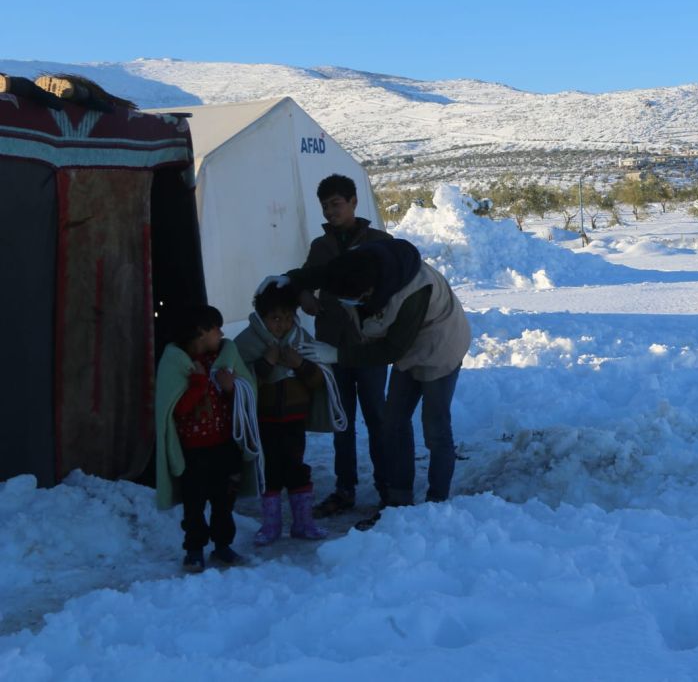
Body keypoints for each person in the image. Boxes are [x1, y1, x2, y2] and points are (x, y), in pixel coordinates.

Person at [272, 238, 470, 528]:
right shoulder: (355, 266)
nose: (348, 303)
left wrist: (338, 354)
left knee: (435, 428)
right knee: (394, 422)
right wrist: (288, 279)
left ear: (368, 290)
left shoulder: (414, 292)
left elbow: (391, 350)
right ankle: (398, 501)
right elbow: (321, 274)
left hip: (440, 346)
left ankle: (436, 505)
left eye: (352, 299)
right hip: (407, 347)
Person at [301, 174, 392, 518]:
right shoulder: (320, 247)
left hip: (368, 345)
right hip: (332, 345)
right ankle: (345, 489)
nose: (329, 211)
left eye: (336, 204)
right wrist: (305, 296)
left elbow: (396, 286)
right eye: (324, 206)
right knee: (342, 421)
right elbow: (305, 281)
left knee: (377, 418)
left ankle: (387, 487)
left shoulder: (380, 241)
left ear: (354, 201)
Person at [154, 304, 258, 572]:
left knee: (224, 502)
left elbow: (246, 394)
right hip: (194, 452)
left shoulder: (225, 357)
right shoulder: (176, 364)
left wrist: (232, 387)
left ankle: (223, 545)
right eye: (216, 328)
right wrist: (199, 384)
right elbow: (177, 410)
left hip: (225, 446)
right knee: (194, 504)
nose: (221, 333)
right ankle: (194, 548)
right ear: (200, 332)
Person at [234, 282, 336, 543]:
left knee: (296, 468)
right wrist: (267, 363)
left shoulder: (302, 341)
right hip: (264, 419)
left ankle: (303, 523)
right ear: (261, 317)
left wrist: (299, 364)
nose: (283, 324)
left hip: (294, 419)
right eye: (275, 319)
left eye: (289, 318)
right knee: (269, 470)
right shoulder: (247, 343)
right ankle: (271, 526)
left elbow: (319, 379)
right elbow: (244, 381)